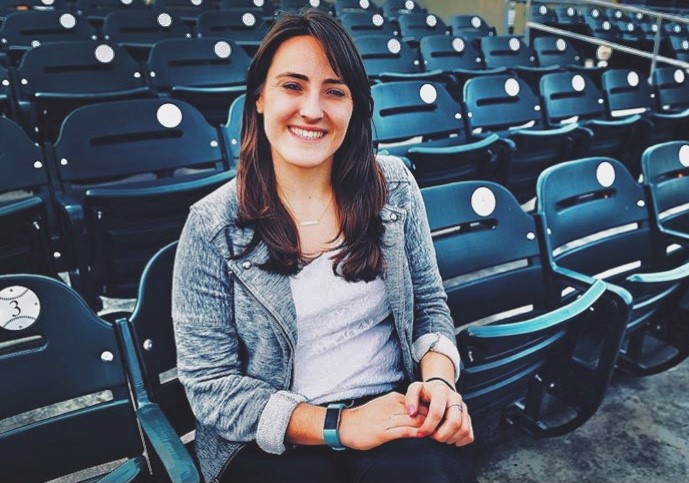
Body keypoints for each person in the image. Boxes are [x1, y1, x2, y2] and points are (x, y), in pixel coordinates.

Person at [173, 10, 474, 483]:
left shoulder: (393, 186)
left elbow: (429, 306)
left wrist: (438, 381)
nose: (313, 109)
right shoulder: (212, 225)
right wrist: (340, 426)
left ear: (354, 107)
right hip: (271, 438)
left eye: (334, 91)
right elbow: (212, 388)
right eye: (292, 86)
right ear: (258, 99)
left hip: (386, 411)